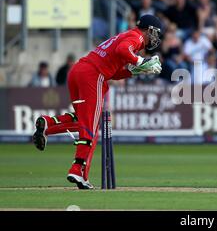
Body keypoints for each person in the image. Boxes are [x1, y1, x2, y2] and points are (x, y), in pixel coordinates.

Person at [31, 15, 164, 189]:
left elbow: (114, 72)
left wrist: (136, 71)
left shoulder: (126, 36)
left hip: (78, 72)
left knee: (82, 119)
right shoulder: (136, 37)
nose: (155, 38)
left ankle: (47, 125)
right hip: (92, 76)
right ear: (149, 30)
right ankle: (77, 169)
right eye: (155, 33)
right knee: (90, 127)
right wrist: (141, 61)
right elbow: (123, 50)